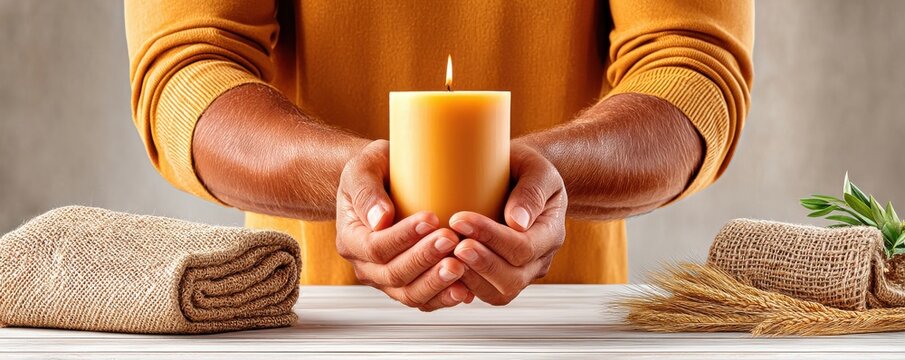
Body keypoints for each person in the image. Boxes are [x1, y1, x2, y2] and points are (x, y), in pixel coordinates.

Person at [125, 0, 752, 312]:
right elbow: (184, 69)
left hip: (559, 330)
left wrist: (551, 175)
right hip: (322, 328)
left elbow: (694, 67)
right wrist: (340, 180)